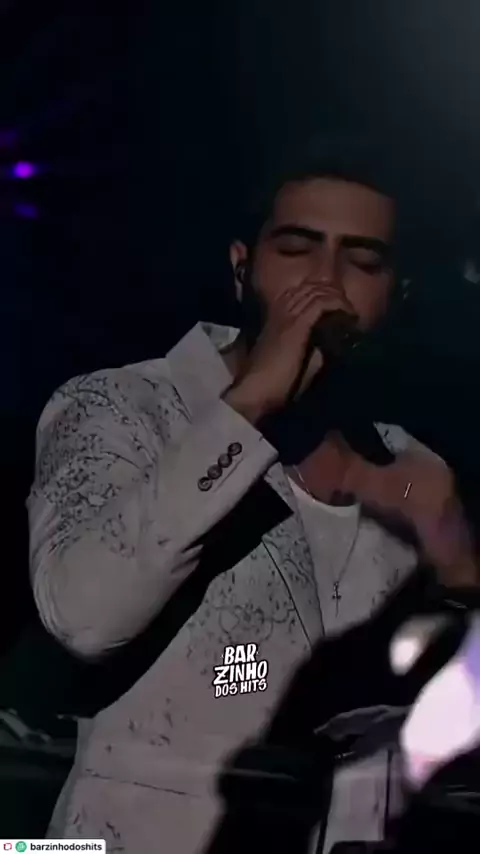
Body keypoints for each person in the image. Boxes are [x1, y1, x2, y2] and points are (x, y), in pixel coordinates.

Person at [28, 138, 479, 853]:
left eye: (363, 262)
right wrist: (247, 409)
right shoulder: (120, 406)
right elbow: (83, 617)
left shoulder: (414, 469)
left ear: (398, 294)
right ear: (242, 266)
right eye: (296, 249)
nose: (325, 282)